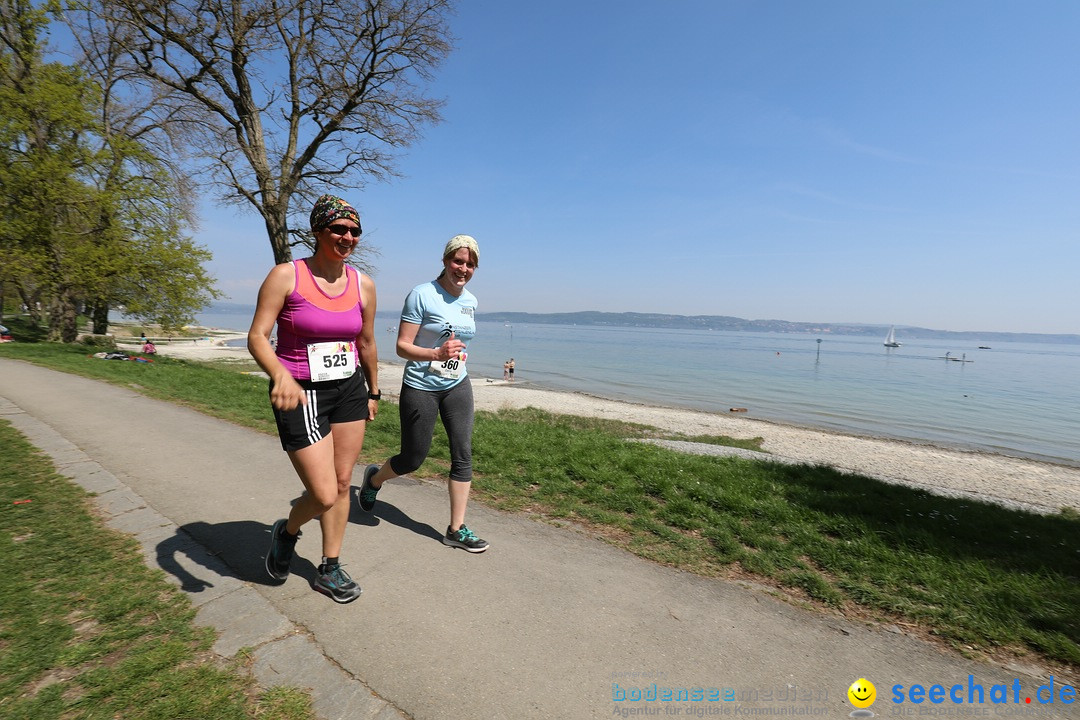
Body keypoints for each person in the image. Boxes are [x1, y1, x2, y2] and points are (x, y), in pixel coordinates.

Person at [247, 193, 379, 602]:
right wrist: (280, 375)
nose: (348, 237)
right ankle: (286, 532)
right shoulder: (287, 276)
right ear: (318, 231)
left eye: (355, 231)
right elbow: (257, 337)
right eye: (339, 229)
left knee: (342, 483)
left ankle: (330, 567)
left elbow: (368, 341)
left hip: (350, 390)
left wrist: (374, 390)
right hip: (300, 393)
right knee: (323, 493)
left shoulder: (363, 284)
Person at [357, 234, 488, 553]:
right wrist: (435, 355)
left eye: (470, 264)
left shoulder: (471, 301)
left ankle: (455, 529)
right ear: (445, 260)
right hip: (420, 386)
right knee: (413, 459)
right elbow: (401, 346)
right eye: (458, 261)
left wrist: (452, 358)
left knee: (463, 453)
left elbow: (462, 341)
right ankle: (375, 479)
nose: (464, 268)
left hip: (457, 383)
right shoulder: (422, 294)